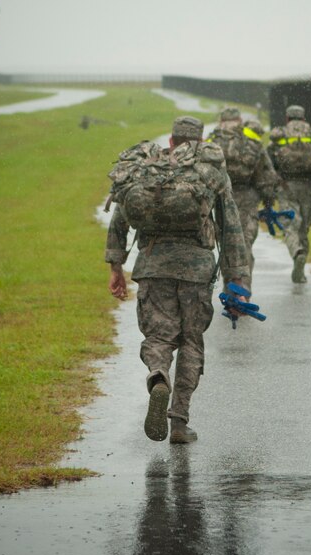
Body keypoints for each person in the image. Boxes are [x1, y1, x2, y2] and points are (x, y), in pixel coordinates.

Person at [105, 116, 249, 444]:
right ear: (199, 141)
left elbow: (119, 219)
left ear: (171, 141)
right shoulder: (209, 172)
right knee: (190, 341)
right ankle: (180, 422)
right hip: (197, 270)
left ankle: (158, 376)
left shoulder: (147, 170)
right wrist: (235, 280)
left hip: (153, 266)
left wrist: (116, 267)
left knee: (158, 336)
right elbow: (230, 226)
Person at [206, 107, 280, 294]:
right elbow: (267, 177)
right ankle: (242, 289)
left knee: (226, 244)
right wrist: (269, 203)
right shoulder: (252, 142)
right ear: (240, 121)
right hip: (246, 198)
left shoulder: (210, 143)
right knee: (244, 243)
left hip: (220, 199)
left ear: (221, 121)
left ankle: (229, 286)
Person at [267, 104, 311, 283]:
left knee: (290, 225)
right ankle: (301, 268)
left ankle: (297, 252)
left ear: (287, 118)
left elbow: (269, 161)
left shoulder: (279, 134)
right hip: (310, 186)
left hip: (286, 186)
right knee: (304, 226)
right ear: (303, 118)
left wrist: (270, 188)